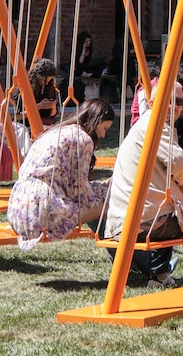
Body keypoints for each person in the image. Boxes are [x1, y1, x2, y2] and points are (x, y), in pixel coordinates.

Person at [103, 81, 183, 284]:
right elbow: (179, 163)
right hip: (145, 224)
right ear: (152, 103)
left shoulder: (143, 126)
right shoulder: (155, 125)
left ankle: (159, 274)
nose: (175, 106)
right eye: (168, 101)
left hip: (125, 221)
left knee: (170, 198)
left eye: (179, 101)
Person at [6, 98, 114, 248]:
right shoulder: (83, 139)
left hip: (18, 208)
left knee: (100, 192)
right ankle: (116, 247)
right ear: (96, 121)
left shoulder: (57, 131)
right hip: (43, 210)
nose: (103, 135)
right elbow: (79, 190)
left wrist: (100, 187)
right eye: (104, 128)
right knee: (107, 206)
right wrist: (103, 192)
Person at [73, 30, 107, 96]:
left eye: (89, 41)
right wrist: (83, 50)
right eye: (86, 41)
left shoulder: (89, 49)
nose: (88, 43)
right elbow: (80, 61)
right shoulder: (78, 49)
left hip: (87, 66)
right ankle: (85, 73)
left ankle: (92, 74)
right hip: (79, 68)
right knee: (81, 65)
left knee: (103, 63)